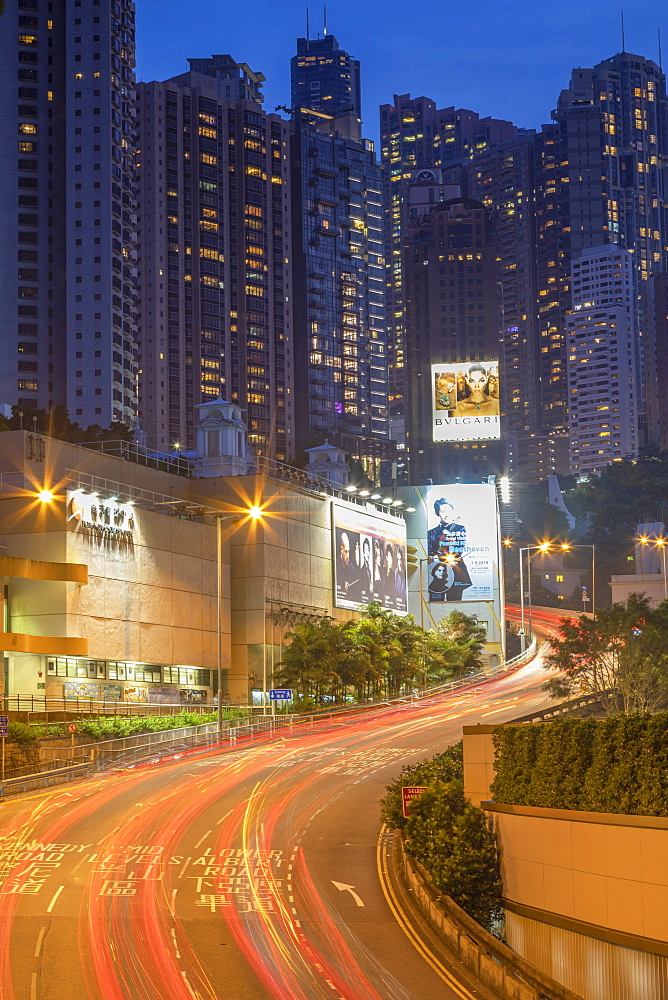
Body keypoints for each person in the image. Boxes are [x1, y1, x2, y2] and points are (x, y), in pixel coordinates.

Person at [426, 498, 472, 601]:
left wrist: (451, 561)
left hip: (455, 568)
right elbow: (429, 551)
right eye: (443, 511)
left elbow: (460, 547)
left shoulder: (460, 528)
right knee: (435, 601)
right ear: (437, 513)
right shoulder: (432, 532)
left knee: (455, 601)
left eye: (449, 511)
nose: (446, 515)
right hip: (437, 568)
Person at [336, 530, 359, 601]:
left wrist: (357, 563)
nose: (348, 555)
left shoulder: (350, 564)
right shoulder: (336, 564)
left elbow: (356, 578)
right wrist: (343, 584)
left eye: (349, 551)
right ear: (341, 550)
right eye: (346, 551)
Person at [359, 536, 374, 603]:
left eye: (368, 550)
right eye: (366, 550)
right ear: (363, 552)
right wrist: (369, 588)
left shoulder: (369, 569)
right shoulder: (362, 569)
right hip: (364, 600)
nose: (368, 553)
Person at [383, 543, 397, 607]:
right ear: (386, 557)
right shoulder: (382, 571)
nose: (390, 559)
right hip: (382, 601)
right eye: (389, 556)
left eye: (391, 556)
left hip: (390, 603)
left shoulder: (393, 573)